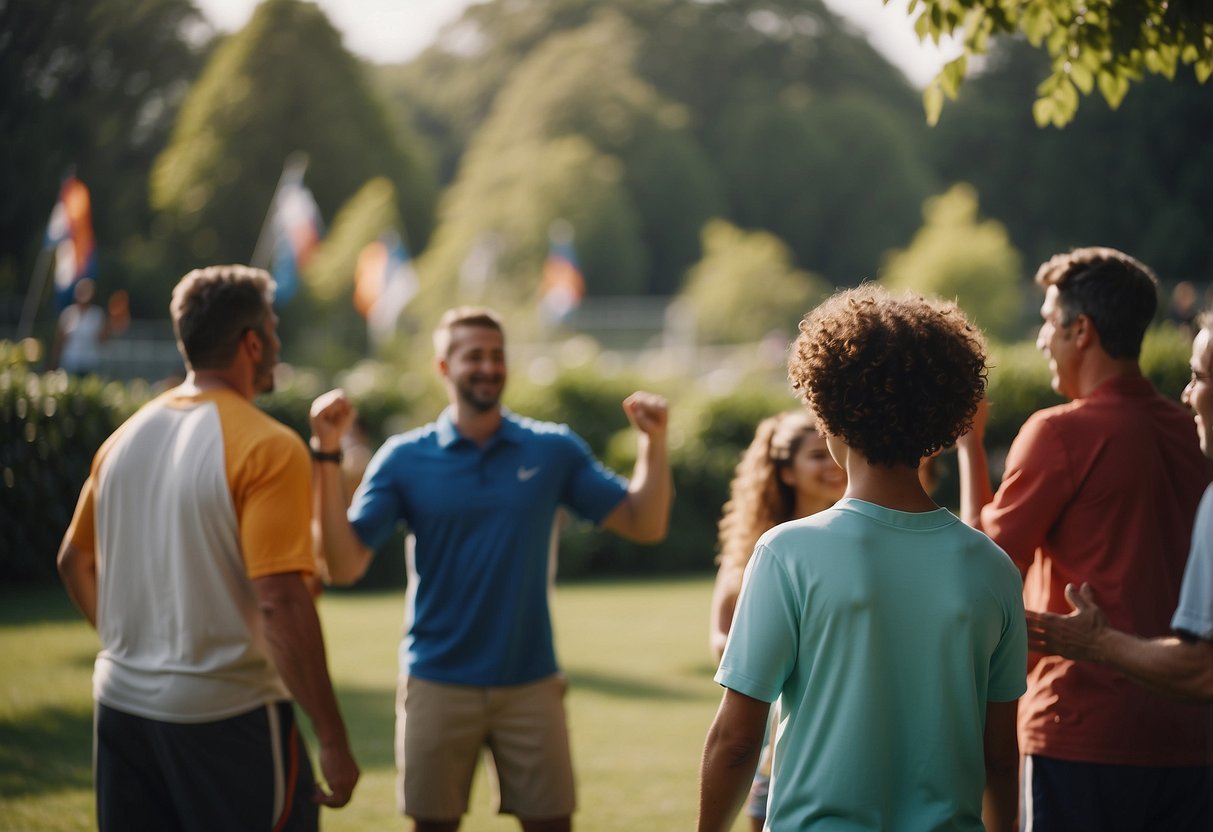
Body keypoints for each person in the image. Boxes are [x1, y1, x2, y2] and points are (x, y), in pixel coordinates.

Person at [308, 306, 673, 832]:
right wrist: (325, 454)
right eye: (473, 355)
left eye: (497, 355)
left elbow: (645, 523)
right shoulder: (404, 458)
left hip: (531, 681)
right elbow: (340, 566)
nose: (488, 366)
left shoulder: (552, 450)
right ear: (443, 366)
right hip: (436, 680)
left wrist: (654, 444)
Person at [699, 285, 1026, 832]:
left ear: (829, 412)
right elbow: (998, 757)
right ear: (943, 422)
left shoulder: (786, 553)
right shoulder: (993, 567)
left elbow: (736, 741)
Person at [56, 265, 359, 831]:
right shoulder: (269, 446)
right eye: (273, 327)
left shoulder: (122, 439)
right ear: (252, 343)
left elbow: (73, 562)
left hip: (121, 706)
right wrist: (334, 739)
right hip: (227, 717)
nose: (278, 339)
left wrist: (137, 653)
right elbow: (282, 603)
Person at [957, 246, 1213, 831]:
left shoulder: (1058, 433)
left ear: (1081, 330)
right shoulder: (1195, 430)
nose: (1043, 339)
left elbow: (979, 570)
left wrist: (969, 444)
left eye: (1048, 322)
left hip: (1083, 734)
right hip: (1194, 733)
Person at [1024, 311, 1213, 701]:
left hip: (1079, 726)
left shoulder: (1055, 433)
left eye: (1198, 376)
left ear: (1082, 329)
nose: (1186, 394)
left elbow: (1203, 669)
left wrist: (1097, 643)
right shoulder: (1183, 434)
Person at [708, 409, 846, 831]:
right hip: (767, 725)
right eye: (815, 456)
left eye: (831, 453)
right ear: (786, 472)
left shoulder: (858, 537)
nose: (830, 465)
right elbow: (720, 638)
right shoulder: (762, 549)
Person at [48, 277, 127, 375]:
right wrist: (53, 364)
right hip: (70, 363)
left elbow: (103, 341)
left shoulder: (97, 315)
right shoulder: (67, 313)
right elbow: (59, 341)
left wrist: (112, 322)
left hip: (90, 364)